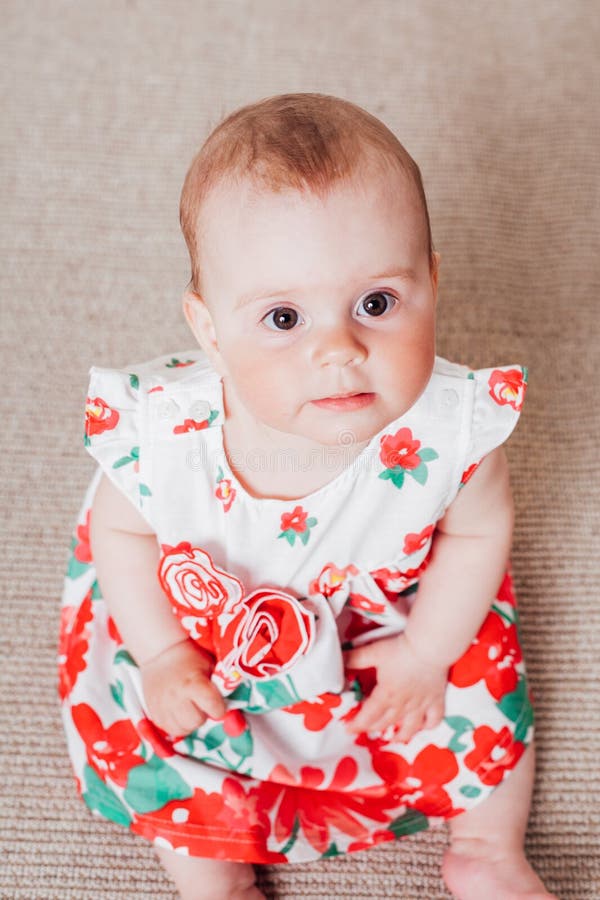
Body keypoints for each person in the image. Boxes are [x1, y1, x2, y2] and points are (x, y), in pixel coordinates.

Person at [59, 93, 556, 900]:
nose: (339, 350)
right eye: (284, 317)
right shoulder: (165, 440)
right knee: (159, 729)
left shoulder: (450, 430)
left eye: (376, 304)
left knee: (484, 672)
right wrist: (162, 653)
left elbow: (476, 535)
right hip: (213, 635)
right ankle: (215, 880)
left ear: (432, 284)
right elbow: (124, 538)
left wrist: (428, 655)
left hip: (388, 626)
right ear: (211, 331)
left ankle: (489, 849)